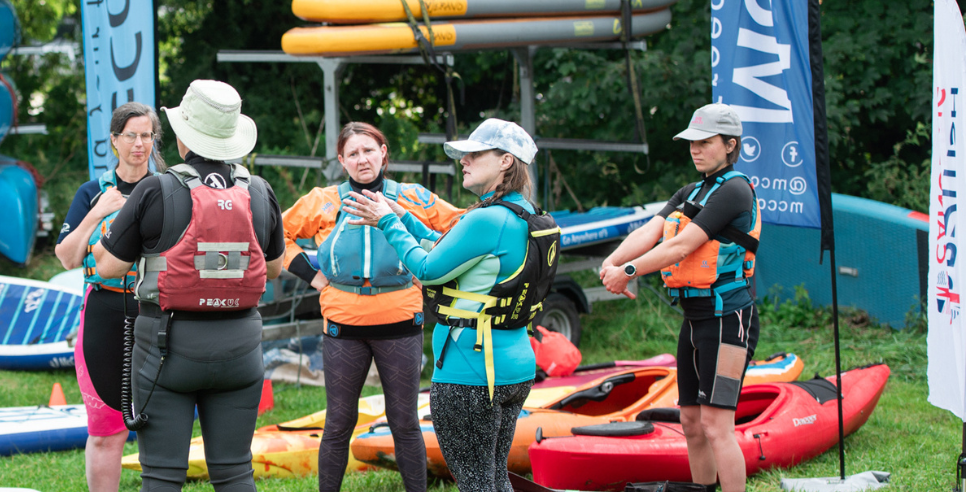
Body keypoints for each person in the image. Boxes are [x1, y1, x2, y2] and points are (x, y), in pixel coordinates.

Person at [93, 80, 284, 492]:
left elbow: (108, 267)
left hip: (166, 346)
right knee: (235, 471)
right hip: (241, 347)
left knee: (162, 475)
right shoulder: (260, 191)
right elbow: (274, 270)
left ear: (182, 137)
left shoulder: (155, 189)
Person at [345, 118, 555, 492]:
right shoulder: (522, 213)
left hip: (470, 369)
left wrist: (389, 223)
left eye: (475, 153)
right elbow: (446, 246)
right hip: (514, 365)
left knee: (475, 483)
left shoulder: (486, 219)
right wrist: (402, 216)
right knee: (492, 479)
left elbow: (427, 268)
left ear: (506, 161)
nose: (464, 160)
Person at [281, 122, 461, 492]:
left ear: (383, 152)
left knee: (404, 421)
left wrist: (426, 272)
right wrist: (313, 276)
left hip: (400, 322)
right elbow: (275, 234)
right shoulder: (324, 201)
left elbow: (461, 228)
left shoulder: (412, 196)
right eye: (353, 154)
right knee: (338, 422)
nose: (362, 159)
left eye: (368, 150)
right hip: (344, 326)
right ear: (341, 161)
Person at [597, 103, 760, 492]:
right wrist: (612, 261)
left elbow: (683, 245)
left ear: (730, 144)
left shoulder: (735, 190)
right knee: (691, 421)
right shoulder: (691, 190)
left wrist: (630, 272)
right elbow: (651, 231)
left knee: (717, 425)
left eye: (705, 142)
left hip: (727, 319)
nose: (695, 149)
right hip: (695, 319)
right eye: (691, 142)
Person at [54, 102, 163, 492]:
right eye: (131, 135)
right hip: (104, 310)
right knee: (106, 432)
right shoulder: (92, 192)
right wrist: (95, 213)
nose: (139, 143)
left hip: (157, 310)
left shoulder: (168, 188)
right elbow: (67, 257)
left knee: (161, 426)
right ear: (114, 140)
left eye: (146, 135)